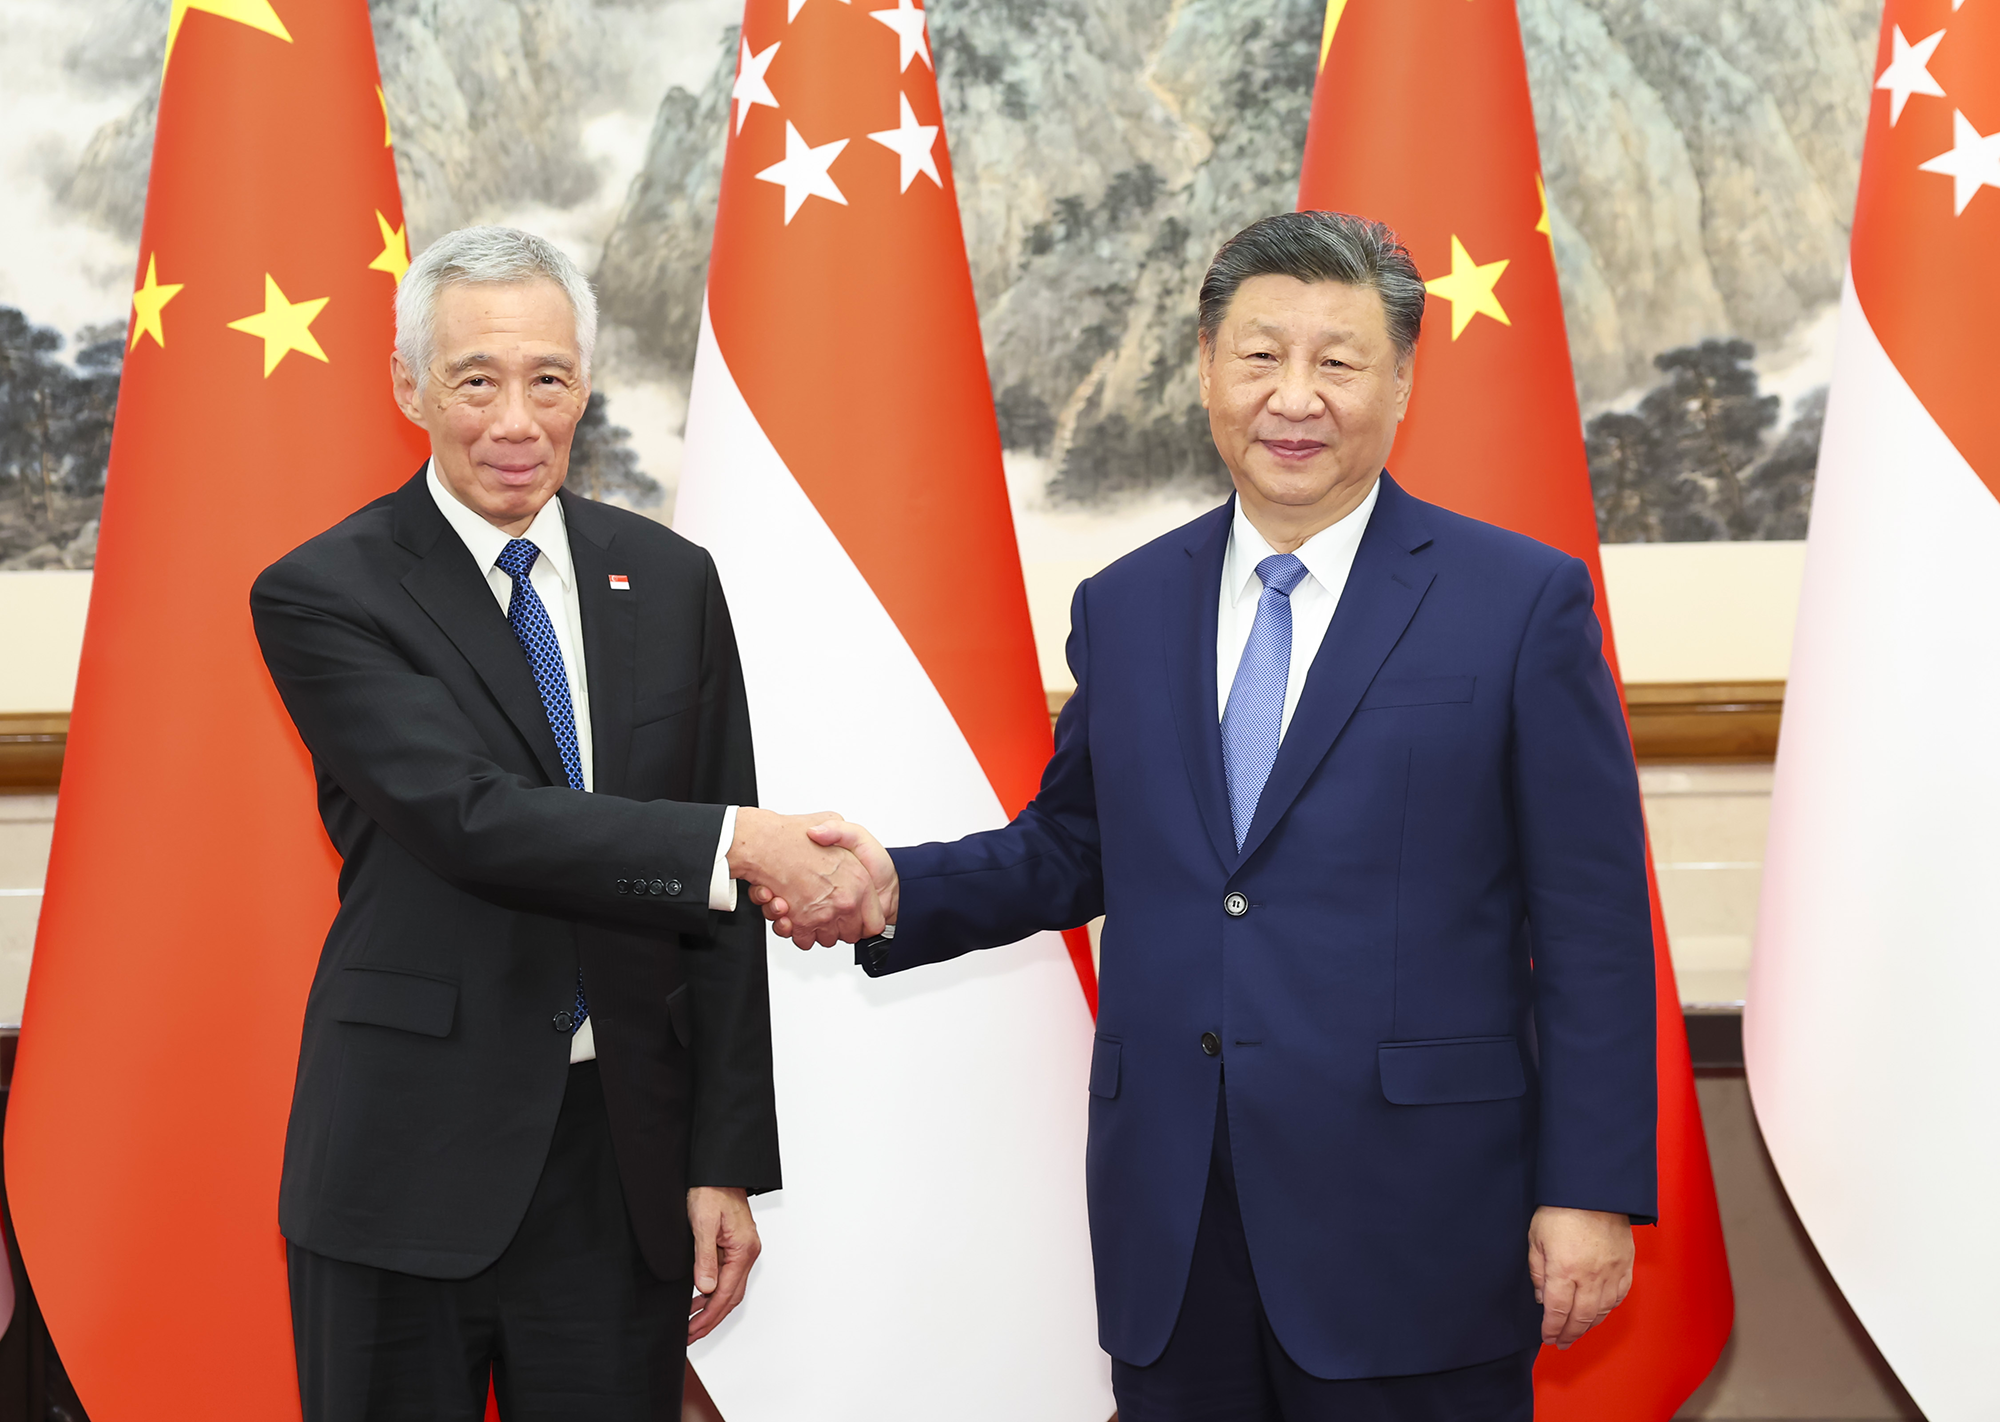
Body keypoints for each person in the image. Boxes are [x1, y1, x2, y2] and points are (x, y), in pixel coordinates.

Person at [760, 211, 1657, 1421]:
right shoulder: (1126, 605)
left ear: (1400, 379)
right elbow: (1074, 844)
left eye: (1336, 362)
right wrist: (891, 889)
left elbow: (1593, 924)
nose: (1293, 397)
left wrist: (1588, 1187)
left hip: (1414, 1219)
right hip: (1175, 1219)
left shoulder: (1516, 603)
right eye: (1257, 356)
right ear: (1202, 367)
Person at [251, 225, 882, 1420]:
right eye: (474, 379)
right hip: (407, 1160)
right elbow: (473, 820)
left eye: (548, 379)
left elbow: (720, 915)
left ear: (585, 384)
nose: (514, 419)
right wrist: (735, 842)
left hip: (622, 1164)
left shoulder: (671, 578)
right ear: (409, 387)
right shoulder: (325, 591)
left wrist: (722, 1161)